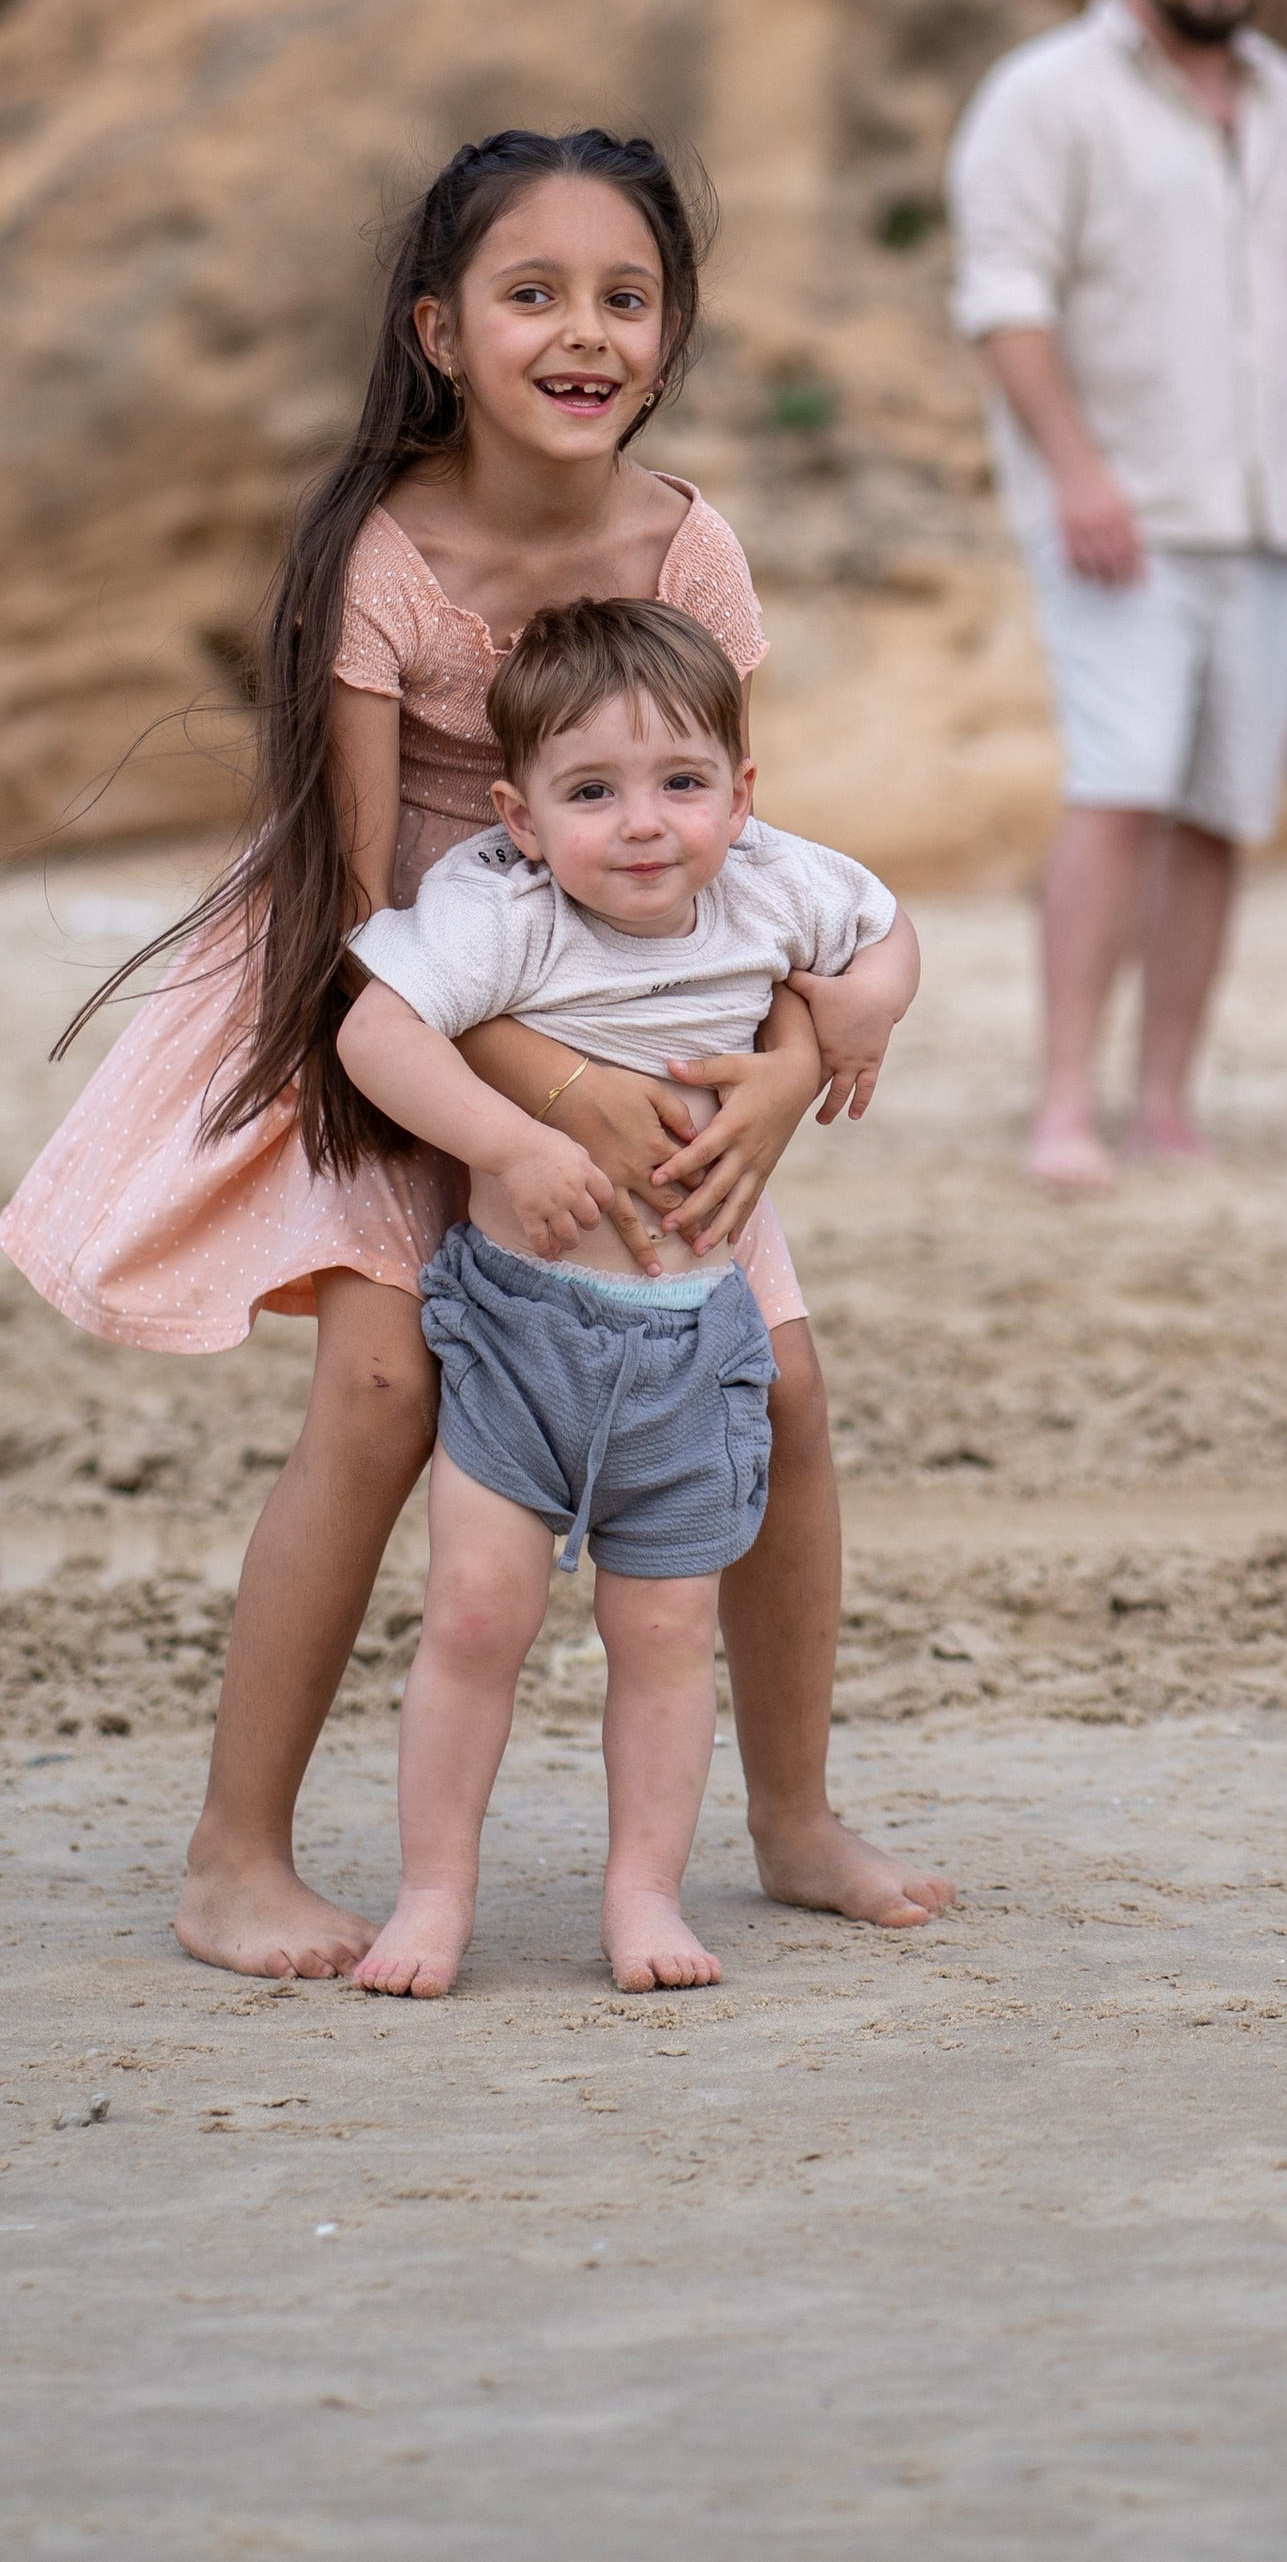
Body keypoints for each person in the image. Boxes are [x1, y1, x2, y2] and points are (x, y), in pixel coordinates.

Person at [0, 126, 950, 1977]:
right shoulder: (383, 550)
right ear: (441, 328)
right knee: (378, 1388)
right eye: (534, 294)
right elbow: (360, 907)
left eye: (625, 296)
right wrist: (550, 1092)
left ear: (667, 337)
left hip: (650, 1007)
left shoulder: (688, 544)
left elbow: (740, 853)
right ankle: (232, 1853)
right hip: (400, 1016)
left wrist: (770, 1070)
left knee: (789, 1390)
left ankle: (796, 1815)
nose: (581, 331)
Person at [336, 596, 915, 1999]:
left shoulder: (771, 883)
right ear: (519, 816)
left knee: (663, 1635)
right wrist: (515, 1142)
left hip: (691, 1344)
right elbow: (373, 1029)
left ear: (742, 795)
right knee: (477, 1613)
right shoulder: (506, 909)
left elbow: (887, 927)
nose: (644, 822)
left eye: (682, 784)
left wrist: (861, 1011)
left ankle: (644, 1892)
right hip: (521, 1332)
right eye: (591, 792)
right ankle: (432, 1892)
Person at [947, 0, 1287, 1191]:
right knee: (1119, 792)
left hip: (1271, 517)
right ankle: (1064, 1098)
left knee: (1222, 815)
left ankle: (1167, 1096)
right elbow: (1004, 296)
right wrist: (1077, 469)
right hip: (1119, 516)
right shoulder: (1046, 95)